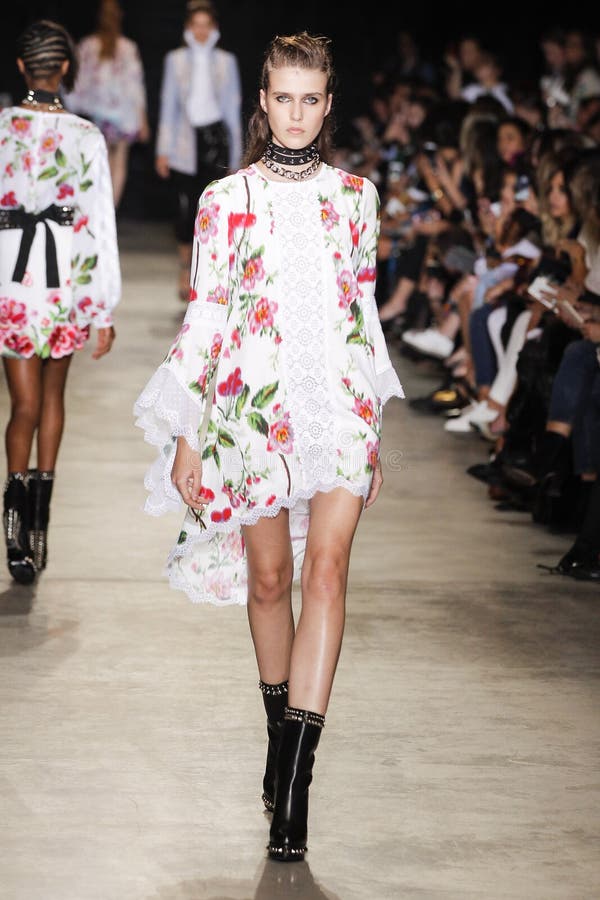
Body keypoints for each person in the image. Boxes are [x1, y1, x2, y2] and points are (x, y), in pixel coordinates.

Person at [134, 31, 404, 861]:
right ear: (263, 102)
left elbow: (362, 316)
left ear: (328, 104)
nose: (294, 113)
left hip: (338, 413)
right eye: (281, 98)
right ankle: (276, 732)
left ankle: (294, 777)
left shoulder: (358, 195)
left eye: (309, 99)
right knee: (269, 578)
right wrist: (185, 430)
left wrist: (373, 424)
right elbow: (208, 315)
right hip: (253, 415)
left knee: (325, 571)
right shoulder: (225, 200)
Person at [0, 20, 120, 584]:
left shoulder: (1, 129)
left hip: (13, 283)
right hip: (66, 281)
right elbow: (98, 224)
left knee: (20, 405)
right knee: (52, 398)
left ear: (22, 67)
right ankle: (40, 525)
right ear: (65, 68)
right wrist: (103, 307)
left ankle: (14, 529)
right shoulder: (85, 135)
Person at [155, 0, 242, 300]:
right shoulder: (175, 60)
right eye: (197, 25)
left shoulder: (225, 61)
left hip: (215, 140)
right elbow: (168, 107)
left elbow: (233, 109)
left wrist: (236, 157)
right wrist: (162, 150)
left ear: (214, 28)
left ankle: (206, 273)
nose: (202, 31)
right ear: (188, 29)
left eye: (207, 25)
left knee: (213, 208)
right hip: (184, 141)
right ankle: (185, 269)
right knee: (184, 210)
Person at [65, 0, 149, 209]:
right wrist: (142, 120)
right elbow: (135, 88)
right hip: (123, 117)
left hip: (96, 116)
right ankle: (108, 213)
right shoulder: (128, 47)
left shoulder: (86, 46)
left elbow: (74, 85)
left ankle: (96, 211)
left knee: (95, 163)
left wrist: (70, 111)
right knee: (118, 162)